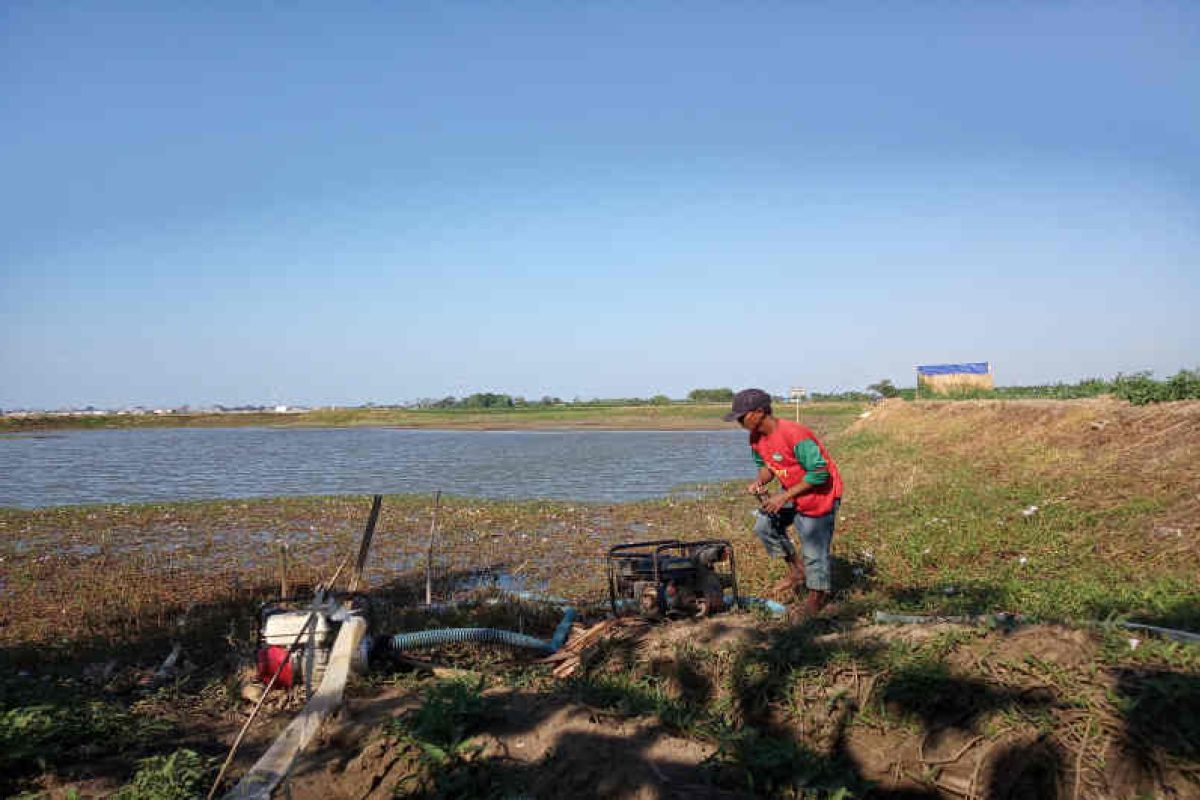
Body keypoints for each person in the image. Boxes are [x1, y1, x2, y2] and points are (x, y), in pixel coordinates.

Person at [724, 388, 843, 616]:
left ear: (759, 412)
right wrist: (759, 481)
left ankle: (816, 597)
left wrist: (784, 496)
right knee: (764, 525)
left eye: (742, 416)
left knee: (813, 545)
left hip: (820, 494)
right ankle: (797, 570)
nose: (739, 422)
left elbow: (820, 473)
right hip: (793, 491)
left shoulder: (795, 434)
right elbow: (767, 467)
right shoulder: (755, 437)